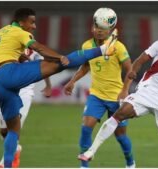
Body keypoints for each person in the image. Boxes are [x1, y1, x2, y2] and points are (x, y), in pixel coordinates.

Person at [0, 8, 117, 168]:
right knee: (59, 64)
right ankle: (104, 49)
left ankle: (7, 165)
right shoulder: (18, 31)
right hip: (9, 73)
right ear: (21, 22)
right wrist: (59, 57)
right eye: (32, 22)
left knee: (13, 131)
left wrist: (15, 54)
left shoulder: (0, 32)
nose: (34, 26)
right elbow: (38, 47)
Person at [78, 11, 158, 168]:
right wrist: (133, 70)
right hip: (146, 92)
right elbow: (140, 60)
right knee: (120, 113)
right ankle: (90, 152)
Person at [64, 7, 135, 168]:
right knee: (86, 127)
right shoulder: (87, 45)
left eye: (102, 29)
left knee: (121, 136)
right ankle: (84, 166)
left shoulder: (118, 47)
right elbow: (84, 67)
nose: (98, 31)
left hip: (116, 97)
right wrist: (72, 81)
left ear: (110, 30)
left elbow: (130, 70)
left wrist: (125, 91)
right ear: (92, 27)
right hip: (96, 95)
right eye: (96, 27)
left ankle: (131, 164)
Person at [0, 50, 52, 168]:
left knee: (14, 127)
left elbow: (45, 67)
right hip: (6, 90)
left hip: (25, 93)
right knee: (3, 130)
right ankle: (16, 148)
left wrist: (48, 85)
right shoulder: (10, 47)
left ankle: (5, 162)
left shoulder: (36, 54)